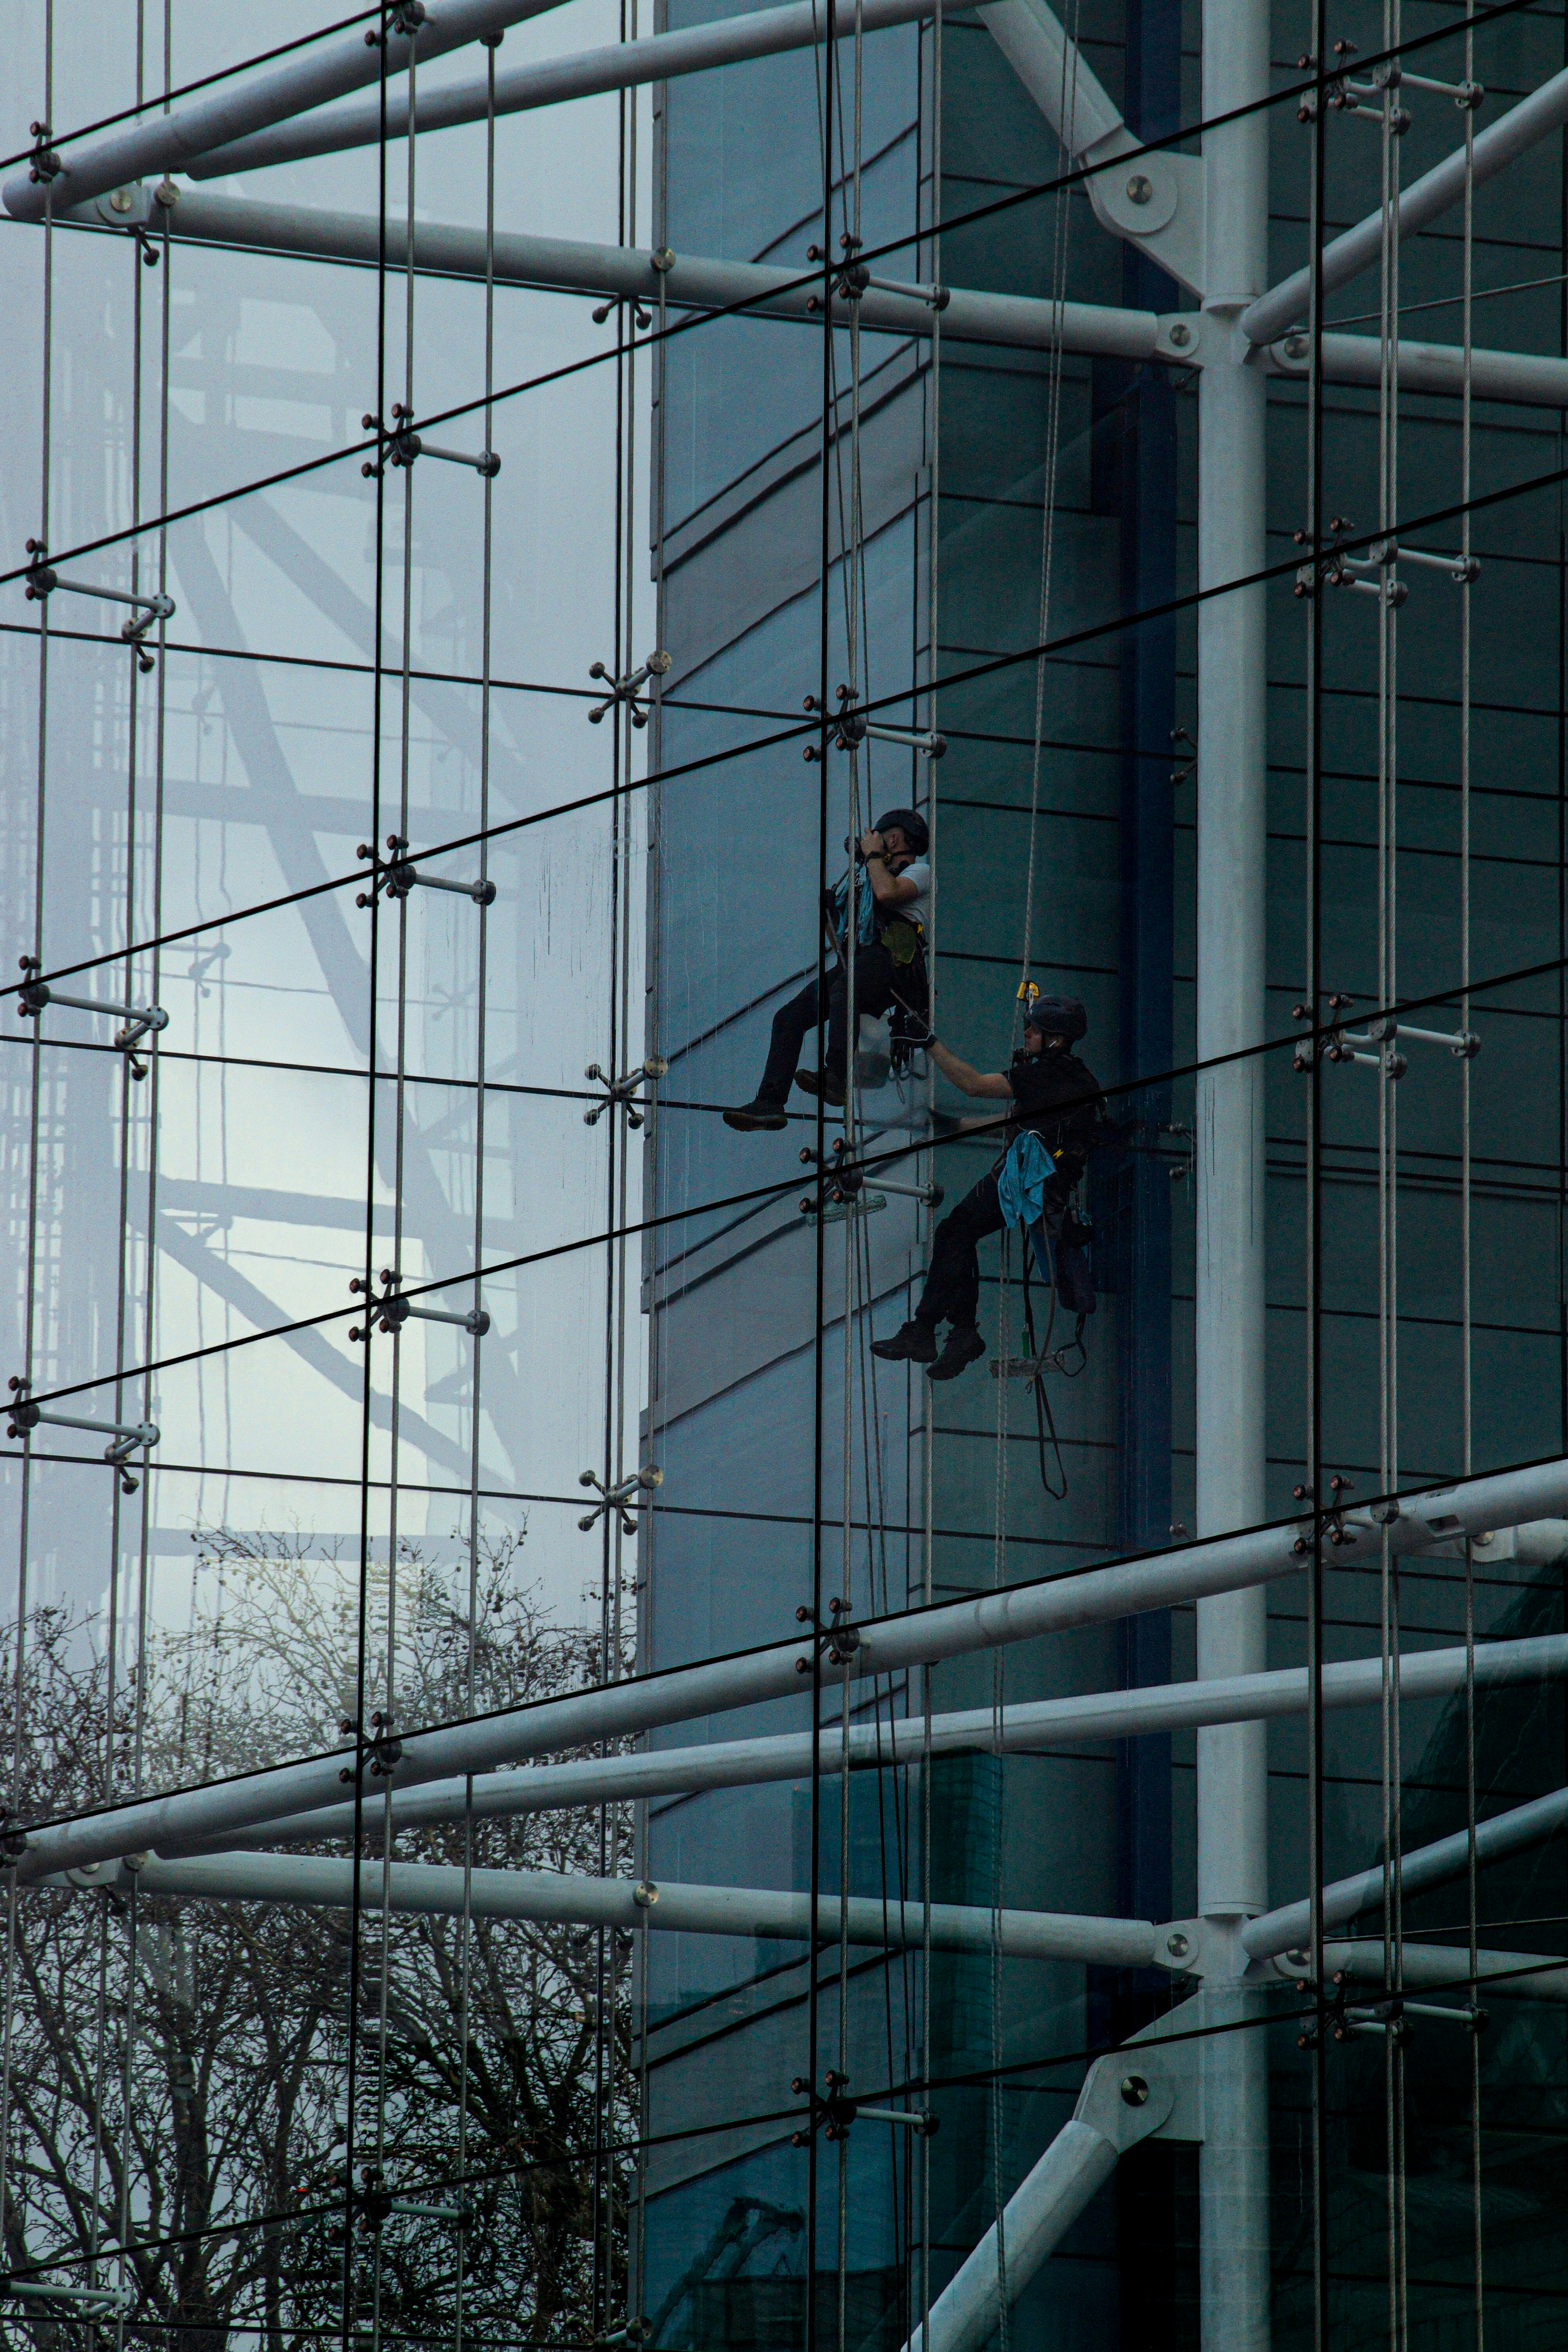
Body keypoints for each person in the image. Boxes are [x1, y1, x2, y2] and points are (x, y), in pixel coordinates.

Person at [870, 991, 1105, 1381]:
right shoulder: (1073, 1079)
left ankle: (938, 1331)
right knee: (958, 1233)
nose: (1027, 1033)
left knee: (955, 1231)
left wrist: (928, 1042)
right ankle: (952, 1333)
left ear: (1055, 1040)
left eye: (1035, 1029)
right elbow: (1019, 1120)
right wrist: (956, 1127)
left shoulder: (1046, 1075)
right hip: (1042, 1180)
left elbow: (974, 1086)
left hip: (1030, 1179)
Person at [723, 809, 931, 1131]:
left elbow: (888, 894)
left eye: (881, 837)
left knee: (842, 991)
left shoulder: (919, 872)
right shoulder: (871, 874)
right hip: (863, 960)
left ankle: (838, 1075)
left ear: (893, 838)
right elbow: (849, 929)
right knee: (789, 1017)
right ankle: (770, 1102)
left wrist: (872, 855)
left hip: (893, 960)